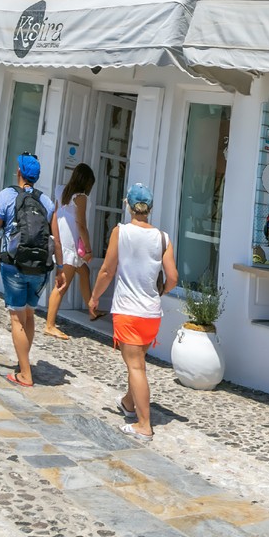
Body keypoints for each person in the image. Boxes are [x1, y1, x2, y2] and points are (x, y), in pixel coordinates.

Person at [89, 182, 177, 443]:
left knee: (136, 366)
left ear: (127, 205)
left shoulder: (121, 232)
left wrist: (94, 298)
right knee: (137, 361)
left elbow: (107, 270)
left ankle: (144, 425)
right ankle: (129, 404)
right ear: (149, 208)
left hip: (128, 309)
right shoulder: (163, 238)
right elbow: (172, 277)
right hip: (151, 313)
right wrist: (159, 293)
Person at [0, 154, 58, 387]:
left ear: (19, 173)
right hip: (40, 267)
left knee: (16, 317)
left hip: (14, 264)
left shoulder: (6, 195)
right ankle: (24, 363)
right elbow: (56, 239)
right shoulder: (47, 202)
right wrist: (60, 267)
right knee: (29, 314)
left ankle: (25, 373)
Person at [45, 163, 96, 340]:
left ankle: (92, 310)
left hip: (65, 244)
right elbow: (81, 225)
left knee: (85, 272)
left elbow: (55, 216)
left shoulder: (61, 191)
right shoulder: (80, 197)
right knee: (62, 285)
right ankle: (50, 325)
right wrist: (88, 249)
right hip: (72, 247)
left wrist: (56, 238)